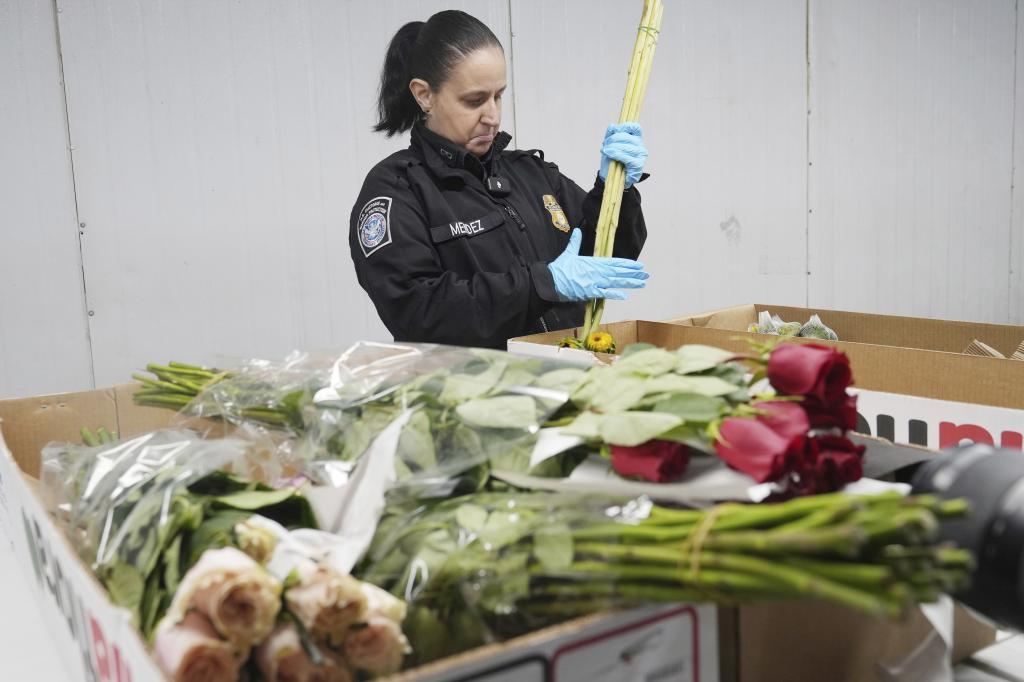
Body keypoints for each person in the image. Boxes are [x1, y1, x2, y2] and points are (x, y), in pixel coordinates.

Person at [350, 9, 650, 349]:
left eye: (498, 96)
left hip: (567, 376)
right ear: (424, 95)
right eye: (474, 100)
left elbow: (603, 256)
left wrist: (615, 191)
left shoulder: (531, 174)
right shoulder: (397, 191)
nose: (492, 117)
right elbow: (419, 313)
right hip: (476, 393)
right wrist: (543, 283)